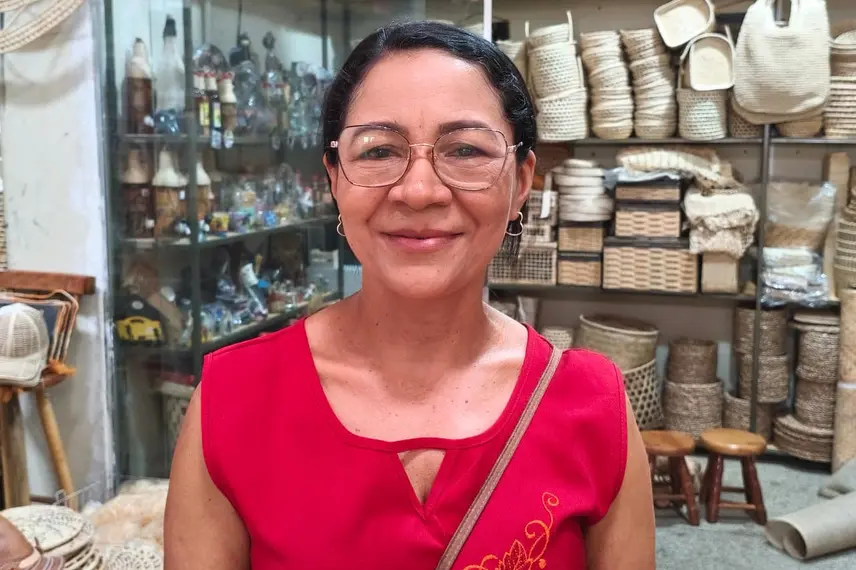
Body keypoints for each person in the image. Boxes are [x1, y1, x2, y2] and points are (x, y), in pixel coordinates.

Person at [164, 21, 655, 570]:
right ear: (334, 179)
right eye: (378, 151)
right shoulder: (235, 401)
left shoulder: (593, 409)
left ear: (520, 183)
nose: (418, 191)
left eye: (465, 148)